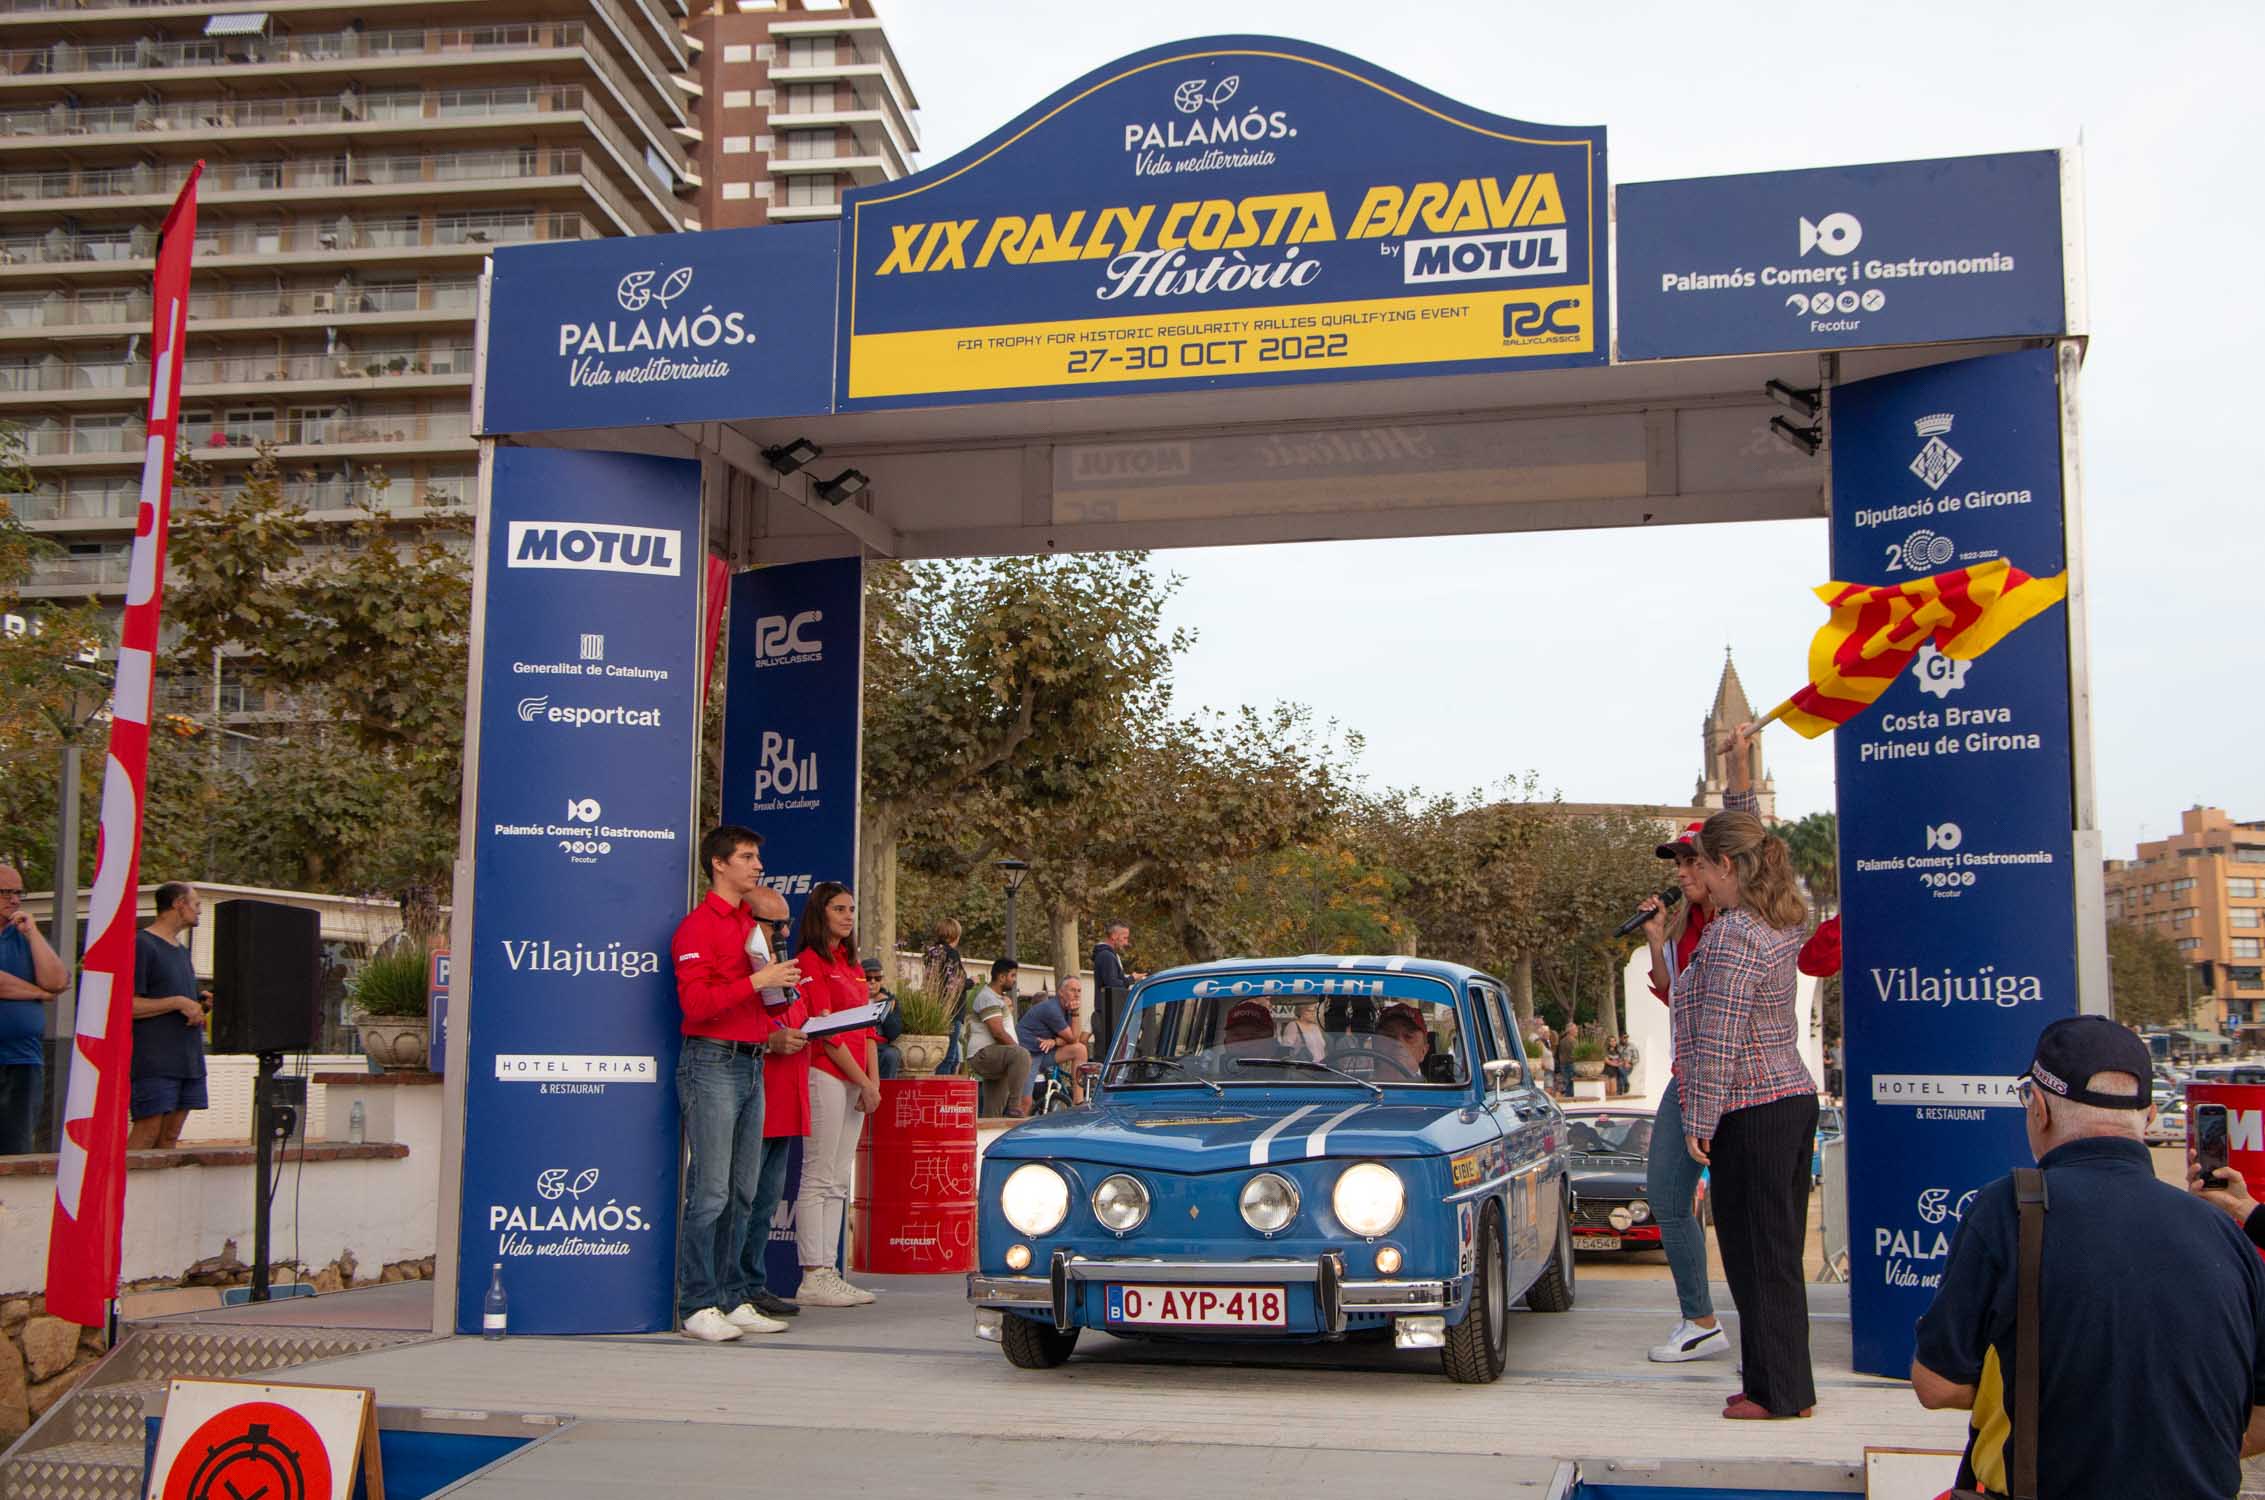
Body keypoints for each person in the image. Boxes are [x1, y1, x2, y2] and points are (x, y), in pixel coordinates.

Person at [1917, 1016, 2265, 1495]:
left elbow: (1937, 1385)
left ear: (2039, 1108)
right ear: (2148, 1117)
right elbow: (2257, 1420)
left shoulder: (2008, 1209)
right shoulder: (2226, 1232)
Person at [1670, 730, 1819, 1421]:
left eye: (1702, 862)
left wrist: (1698, 1122)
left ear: (1726, 865)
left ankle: (1774, 1392)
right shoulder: (1774, 919)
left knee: (1756, 1257)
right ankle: (1780, 1382)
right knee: (1776, 1253)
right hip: (1789, 1099)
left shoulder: (1732, 934)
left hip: (1751, 1109)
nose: (1696, 873)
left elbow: (1718, 1038)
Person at [669, 826, 805, 1343]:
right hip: (710, 1061)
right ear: (718, 864)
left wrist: (779, 990)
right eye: (746, 857)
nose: (757, 865)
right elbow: (695, 1005)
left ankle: (731, 1296)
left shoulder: (751, 926)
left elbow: (762, 1003)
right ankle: (696, 1302)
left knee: (743, 1193)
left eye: (756, 857)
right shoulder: (696, 928)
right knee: (711, 1190)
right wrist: (758, 981)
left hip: (752, 1061)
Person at [793, 881, 880, 1309]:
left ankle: (828, 1270)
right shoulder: (810, 962)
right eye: (839, 909)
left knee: (838, 1178)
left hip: (856, 1079)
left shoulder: (852, 964)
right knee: (818, 1173)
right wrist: (863, 1081)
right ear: (821, 913)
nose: (848, 916)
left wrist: (873, 1082)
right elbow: (827, 1035)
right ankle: (813, 1273)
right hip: (826, 1074)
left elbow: (867, 1027)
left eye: (851, 909)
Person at [742, 885, 807, 1321]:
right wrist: (770, 1040)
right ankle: (727, 1287)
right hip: (751, 1093)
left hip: (784, 1098)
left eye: (788, 923)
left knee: (765, 1202)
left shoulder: (782, 967)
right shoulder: (744, 969)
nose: (784, 932)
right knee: (738, 1198)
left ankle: (751, 1283)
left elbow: (795, 1015)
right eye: (775, 924)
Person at [129, 883, 211, 1150]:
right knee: (148, 1131)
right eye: (196, 904)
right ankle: (126, 1177)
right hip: (154, 1060)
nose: (200, 911)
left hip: (188, 1058)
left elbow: (182, 1003)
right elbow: (127, 1006)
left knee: (170, 1135)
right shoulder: (142, 944)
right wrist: (177, 1002)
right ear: (178, 904)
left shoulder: (181, 951)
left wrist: (199, 1006)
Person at [0, 866, 67, 1154]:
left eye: (18, 892)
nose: (14, 900)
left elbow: (58, 981)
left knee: (17, 1149)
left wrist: (33, 933)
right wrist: (39, 993)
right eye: (6, 892)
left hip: (24, 1058)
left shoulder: (23, 936)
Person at [963, 958, 1032, 1118]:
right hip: (983, 1054)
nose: (1014, 980)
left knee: (993, 1114)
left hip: (997, 1056)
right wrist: (1019, 1053)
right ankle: (1014, 1106)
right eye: (1012, 976)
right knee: (1021, 1055)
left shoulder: (996, 998)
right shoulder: (988, 997)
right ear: (1001, 977)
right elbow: (998, 1033)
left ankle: (989, 1130)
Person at [1016, 975, 1091, 1105]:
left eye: (1079, 991)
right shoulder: (1052, 1009)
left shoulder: (1066, 1008)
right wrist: (1075, 1013)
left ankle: (1078, 1101)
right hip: (1028, 1054)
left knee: (1080, 1050)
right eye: (1072, 990)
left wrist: (1054, 1041)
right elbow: (1072, 1038)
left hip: (1043, 1052)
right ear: (1061, 992)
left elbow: (1074, 1039)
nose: (1077, 994)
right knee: (1025, 1102)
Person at [1090, 920, 1143, 1062]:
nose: (1126, 942)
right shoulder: (1106, 956)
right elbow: (1112, 983)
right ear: (1114, 936)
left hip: (1109, 1014)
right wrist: (1131, 979)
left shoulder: (1108, 955)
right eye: (1124, 938)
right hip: (1108, 1015)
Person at [1555, 1020, 1579, 1097]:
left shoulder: (1562, 1040)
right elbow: (1577, 1054)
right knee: (1571, 1085)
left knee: (1567, 1084)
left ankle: (1568, 1098)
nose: (1577, 1031)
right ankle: (1570, 1099)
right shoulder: (1573, 1041)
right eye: (1575, 1029)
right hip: (1571, 1065)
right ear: (1570, 1031)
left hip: (1563, 1065)